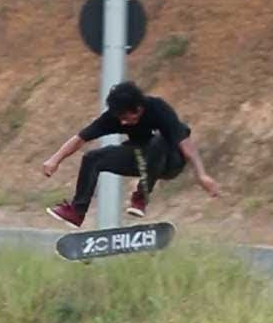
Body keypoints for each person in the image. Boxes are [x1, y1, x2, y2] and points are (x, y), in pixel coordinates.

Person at [42, 81, 220, 228]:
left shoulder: (158, 108)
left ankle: (141, 197)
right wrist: (55, 159)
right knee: (92, 158)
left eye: (127, 117)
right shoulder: (115, 117)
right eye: (120, 118)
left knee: (158, 141)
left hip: (171, 161)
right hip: (141, 158)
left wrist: (201, 174)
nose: (122, 122)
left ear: (139, 108)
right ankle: (77, 212)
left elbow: (185, 143)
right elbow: (81, 138)